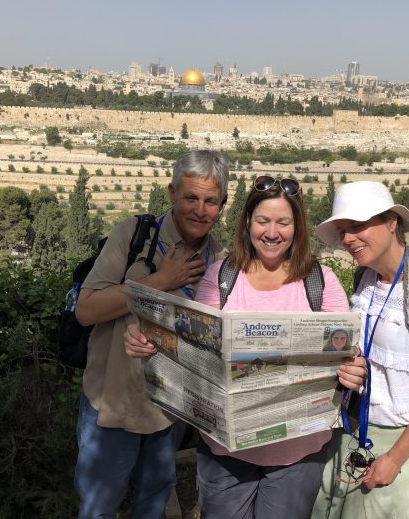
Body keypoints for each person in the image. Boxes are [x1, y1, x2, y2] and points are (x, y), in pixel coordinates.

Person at [126, 175, 367, 519]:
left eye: (283, 222)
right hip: (225, 454)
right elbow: (192, 347)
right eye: (263, 221)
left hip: (298, 456)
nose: (272, 232)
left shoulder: (320, 281)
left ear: (297, 227)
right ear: (248, 223)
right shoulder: (221, 276)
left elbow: (344, 354)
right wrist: (149, 344)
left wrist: (352, 369)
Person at [74, 150, 229, 519]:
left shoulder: (221, 261)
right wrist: (158, 283)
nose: (199, 209)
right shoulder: (133, 236)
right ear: (172, 193)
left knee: (153, 505)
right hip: (110, 405)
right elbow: (86, 310)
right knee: (98, 508)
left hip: (169, 413)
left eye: (211, 201)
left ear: (223, 205)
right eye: (191, 197)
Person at [311, 181, 409, 519]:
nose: (348, 239)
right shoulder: (364, 278)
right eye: (343, 230)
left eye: (358, 226)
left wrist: (394, 458)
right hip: (356, 431)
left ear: (392, 222)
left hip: (402, 440)